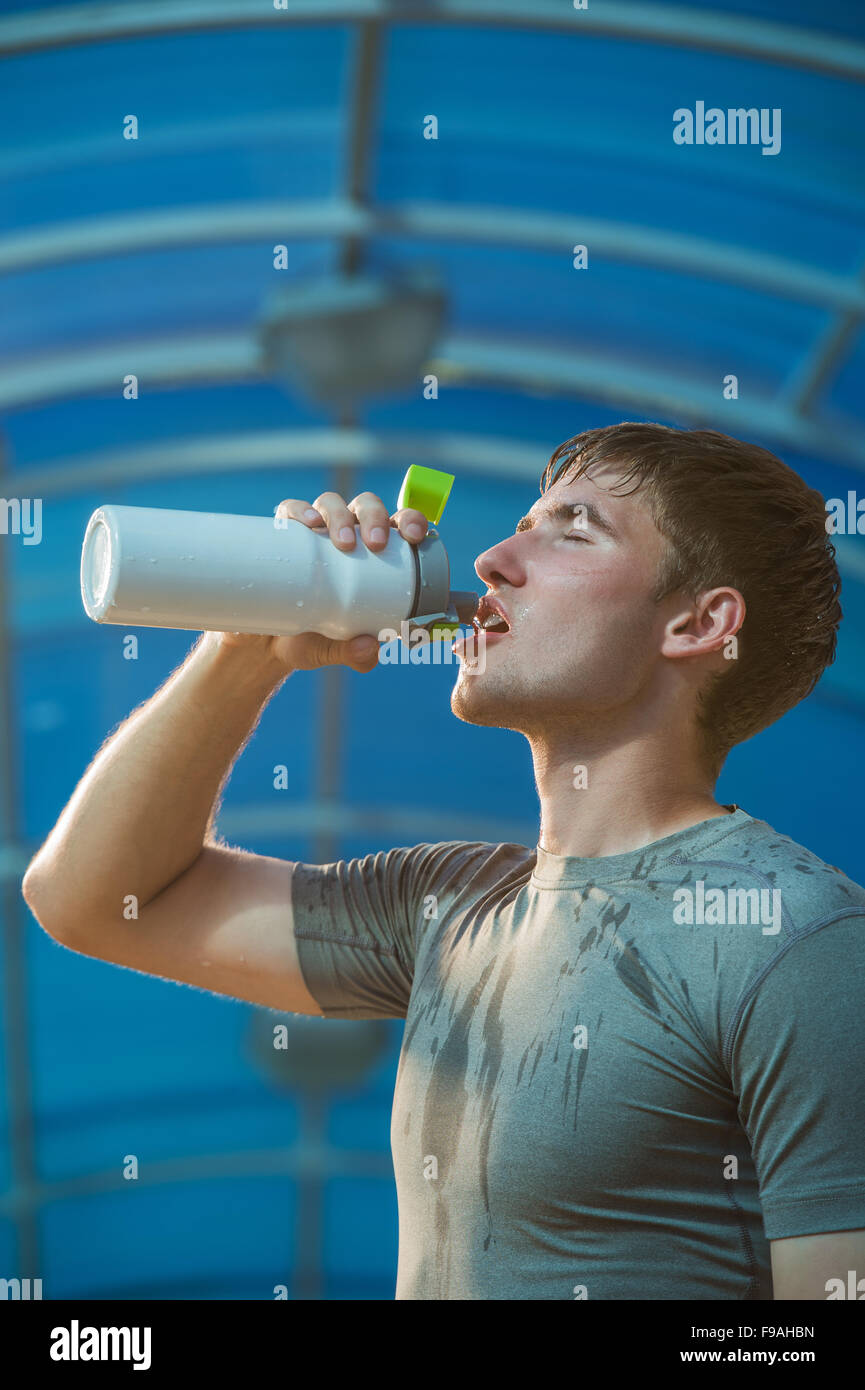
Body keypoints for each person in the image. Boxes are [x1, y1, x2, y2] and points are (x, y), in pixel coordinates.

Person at [23, 422, 865, 1300]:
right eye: (523, 526)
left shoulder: (798, 939)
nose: (496, 559)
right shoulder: (445, 904)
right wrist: (246, 650)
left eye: (572, 531)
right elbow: (93, 899)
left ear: (698, 623)